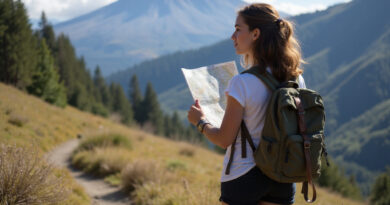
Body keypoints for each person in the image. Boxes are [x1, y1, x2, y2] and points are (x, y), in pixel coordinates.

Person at [187, 3, 307, 205]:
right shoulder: (296, 79)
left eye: (237, 30)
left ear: (255, 34)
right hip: (282, 175)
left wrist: (200, 122)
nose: (232, 37)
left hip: (243, 176)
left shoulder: (242, 83)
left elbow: (224, 139)